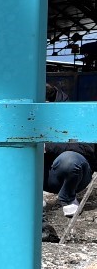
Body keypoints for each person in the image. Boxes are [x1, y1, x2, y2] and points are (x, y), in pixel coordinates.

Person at [43, 83, 94, 217]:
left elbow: (88, 148)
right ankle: (31, 197)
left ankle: (67, 197)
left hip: (72, 175)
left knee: (70, 160)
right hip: (40, 175)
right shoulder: (23, 115)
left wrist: (47, 146)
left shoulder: (74, 115)